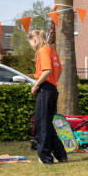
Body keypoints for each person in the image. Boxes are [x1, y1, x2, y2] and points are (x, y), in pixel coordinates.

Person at [28, 29, 68, 164]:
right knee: (48, 124)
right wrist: (54, 81)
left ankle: (45, 156)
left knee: (41, 124)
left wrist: (36, 85)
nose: (32, 47)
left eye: (31, 44)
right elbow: (59, 69)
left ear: (35, 39)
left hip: (45, 89)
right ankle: (61, 154)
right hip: (52, 89)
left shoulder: (43, 50)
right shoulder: (51, 50)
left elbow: (47, 70)